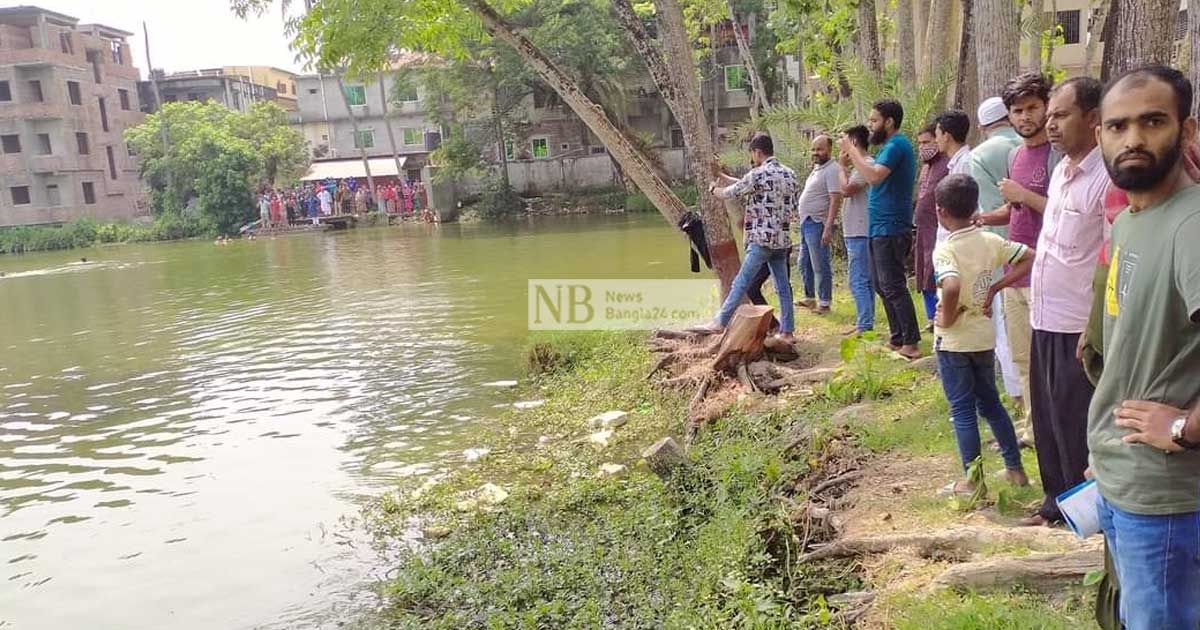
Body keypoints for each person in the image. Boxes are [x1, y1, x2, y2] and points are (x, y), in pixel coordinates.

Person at [1088, 65, 1200, 630]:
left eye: (1153, 121)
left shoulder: (1193, 226)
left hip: (1168, 501)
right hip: (1122, 481)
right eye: (1117, 126)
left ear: (1187, 132)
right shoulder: (1134, 218)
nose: (1132, 139)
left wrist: (1184, 428)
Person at [1020, 76, 1108, 528]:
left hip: (1078, 324)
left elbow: (1110, 259)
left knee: (1077, 421)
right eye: (1049, 116)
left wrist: (1096, 329)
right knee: (1049, 417)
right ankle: (1054, 502)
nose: (1050, 125)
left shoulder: (1106, 178)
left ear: (1092, 119)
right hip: (1045, 314)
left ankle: (1085, 513)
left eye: (1060, 115)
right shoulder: (1061, 172)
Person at [930, 173, 1033, 495]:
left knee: (962, 409)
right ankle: (1015, 470)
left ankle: (973, 481)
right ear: (975, 206)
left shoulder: (946, 250)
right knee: (991, 403)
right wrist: (996, 287)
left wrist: (946, 317)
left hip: (955, 342)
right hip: (983, 338)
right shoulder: (989, 241)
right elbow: (1029, 256)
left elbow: (952, 284)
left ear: (940, 212)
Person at [977, 73, 1058, 446]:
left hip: (1050, 272)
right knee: (1023, 359)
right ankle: (1033, 429)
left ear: (1046, 107)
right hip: (1015, 272)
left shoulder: (1058, 155)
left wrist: (1023, 194)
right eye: (1017, 111)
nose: (1025, 117)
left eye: (1032, 108)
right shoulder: (1014, 155)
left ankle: (1058, 430)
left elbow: (1061, 212)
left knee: (1053, 364)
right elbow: (1015, 211)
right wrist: (983, 218)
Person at [691, 133, 798, 345]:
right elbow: (747, 184)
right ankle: (787, 331)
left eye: (752, 155)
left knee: (741, 282)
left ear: (757, 152)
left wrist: (714, 188)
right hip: (782, 241)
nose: (753, 159)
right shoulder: (789, 174)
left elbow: (731, 192)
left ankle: (720, 321)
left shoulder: (758, 174)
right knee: (783, 287)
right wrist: (723, 174)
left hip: (760, 240)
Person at [839, 100, 922, 359]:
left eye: (874, 120)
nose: (870, 124)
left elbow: (874, 176)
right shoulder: (889, 147)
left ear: (889, 121)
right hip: (878, 227)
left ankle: (911, 341)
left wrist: (852, 151)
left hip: (892, 225)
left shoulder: (897, 145)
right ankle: (897, 337)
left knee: (893, 284)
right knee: (879, 283)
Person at [794, 134, 843, 314]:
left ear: (829, 150)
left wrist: (828, 226)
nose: (815, 152)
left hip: (818, 223)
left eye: (819, 149)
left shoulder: (832, 169)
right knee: (804, 262)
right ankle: (810, 298)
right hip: (806, 222)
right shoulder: (817, 169)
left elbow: (835, 198)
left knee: (820, 264)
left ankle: (824, 302)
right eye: (813, 149)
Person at [837, 125, 876, 335]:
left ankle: (864, 324)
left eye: (843, 141)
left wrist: (841, 167)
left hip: (861, 230)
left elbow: (846, 190)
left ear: (852, 142)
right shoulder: (860, 166)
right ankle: (866, 322)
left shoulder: (866, 164)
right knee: (864, 279)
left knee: (858, 279)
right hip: (856, 229)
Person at [914, 123, 949, 329]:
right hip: (922, 227)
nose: (922, 147)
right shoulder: (926, 167)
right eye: (919, 143)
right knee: (924, 273)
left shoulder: (947, 164)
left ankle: (940, 314)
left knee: (935, 272)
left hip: (939, 229)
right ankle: (930, 317)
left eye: (926, 142)